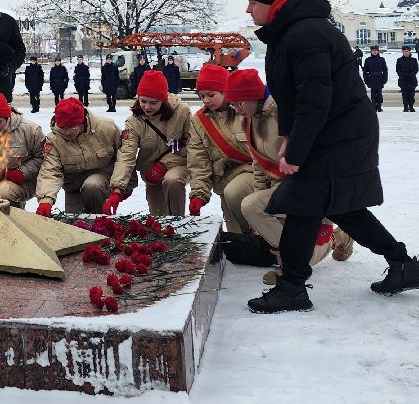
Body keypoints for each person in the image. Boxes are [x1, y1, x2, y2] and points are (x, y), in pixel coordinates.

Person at [241, 0, 419, 314]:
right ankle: (403, 265)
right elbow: (293, 95)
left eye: (253, 2)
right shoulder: (294, 31)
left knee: (304, 203)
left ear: (272, 3)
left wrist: (297, 149)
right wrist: (288, 136)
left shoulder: (305, 33)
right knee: (341, 206)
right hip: (333, 129)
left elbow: (315, 98)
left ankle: (293, 287)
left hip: (337, 132)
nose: (248, 9)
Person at [226, 67, 353, 283]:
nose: (237, 110)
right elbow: (258, 163)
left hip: (312, 185)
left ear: (255, 96)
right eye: (233, 104)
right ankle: (323, 243)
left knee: (253, 206)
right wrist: (263, 205)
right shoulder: (248, 119)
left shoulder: (284, 111)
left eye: (240, 103)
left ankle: (298, 261)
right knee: (254, 206)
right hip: (284, 188)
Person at [110, 68, 192, 216]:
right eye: (143, 101)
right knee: (157, 216)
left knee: (172, 181)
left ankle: (179, 221)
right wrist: (118, 188)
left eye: (153, 103)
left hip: (179, 164)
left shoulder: (182, 112)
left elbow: (192, 146)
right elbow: (126, 155)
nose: (147, 107)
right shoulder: (134, 122)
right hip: (151, 173)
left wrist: (164, 164)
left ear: (163, 100)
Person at [184, 63, 254, 235]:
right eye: (201, 96)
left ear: (225, 91)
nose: (206, 100)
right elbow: (198, 160)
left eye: (211, 95)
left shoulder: (244, 110)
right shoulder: (198, 121)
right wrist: (198, 194)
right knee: (235, 237)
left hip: (254, 174)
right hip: (224, 180)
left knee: (255, 228)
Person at [34, 97, 120, 215]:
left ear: (82, 121)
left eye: (72, 127)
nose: (67, 132)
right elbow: (50, 170)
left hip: (102, 181)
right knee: (75, 223)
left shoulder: (106, 128)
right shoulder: (54, 140)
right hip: (73, 186)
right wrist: (45, 201)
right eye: (63, 127)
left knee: (92, 185)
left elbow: (123, 157)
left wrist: (121, 189)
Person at [361, 46, 388, 111]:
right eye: (373, 50)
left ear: (378, 51)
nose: (375, 52)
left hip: (379, 78)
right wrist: (366, 80)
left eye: (376, 50)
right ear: (371, 51)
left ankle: (379, 107)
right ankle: (373, 106)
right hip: (371, 78)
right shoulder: (368, 60)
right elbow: (365, 72)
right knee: (373, 93)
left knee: (379, 93)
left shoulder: (382, 59)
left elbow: (385, 70)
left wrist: (385, 79)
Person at [395, 46, 419, 112]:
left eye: (407, 51)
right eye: (404, 51)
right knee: (404, 94)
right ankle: (405, 107)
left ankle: (411, 106)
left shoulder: (413, 60)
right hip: (403, 79)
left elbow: (416, 69)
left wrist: (410, 75)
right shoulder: (399, 60)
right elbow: (398, 70)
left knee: (411, 94)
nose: (406, 53)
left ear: (410, 52)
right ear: (402, 52)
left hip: (412, 79)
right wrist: (402, 75)